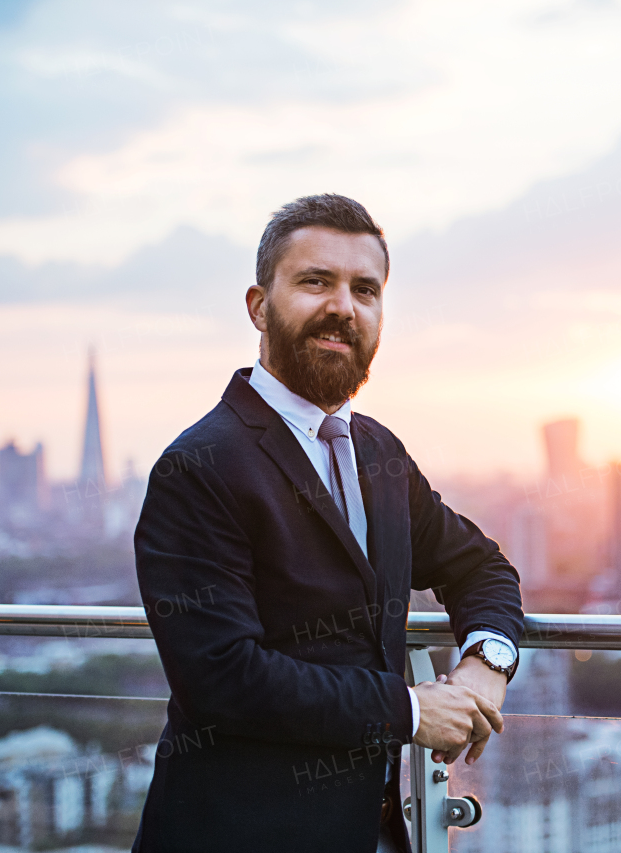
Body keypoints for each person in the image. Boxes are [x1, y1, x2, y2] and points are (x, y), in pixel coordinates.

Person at [132, 194, 524, 852]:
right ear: (259, 305)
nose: (343, 306)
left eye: (365, 289)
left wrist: (486, 662)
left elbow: (480, 566)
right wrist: (410, 708)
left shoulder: (380, 453)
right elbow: (222, 676)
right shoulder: (196, 467)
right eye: (316, 281)